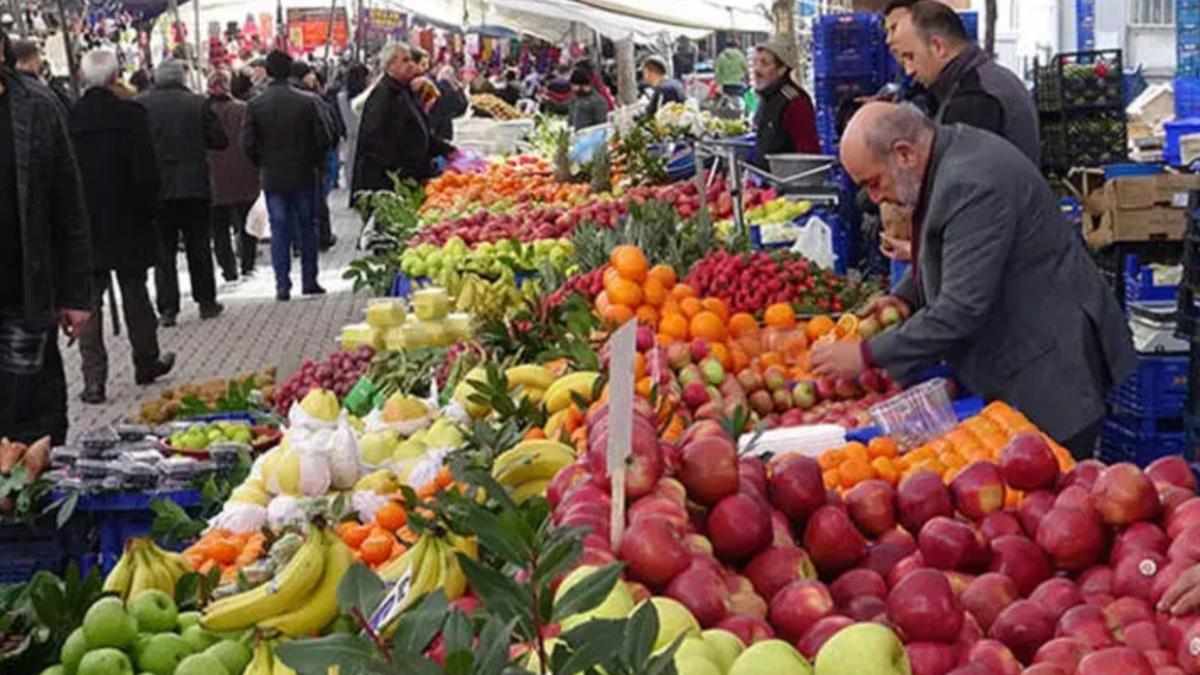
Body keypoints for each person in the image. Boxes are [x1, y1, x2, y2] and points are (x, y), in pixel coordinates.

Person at [810, 103, 1135, 458]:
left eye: (873, 183)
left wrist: (867, 354)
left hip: (1048, 368)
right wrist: (905, 298)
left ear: (904, 153)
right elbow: (952, 253)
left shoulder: (971, 182)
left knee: (1052, 478)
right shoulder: (944, 159)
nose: (875, 198)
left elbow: (961, 308)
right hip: (1023, 354)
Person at [0, 30, 91, 443]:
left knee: (32, 420)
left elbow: (68, 205)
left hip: (24, 296)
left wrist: (76, 294)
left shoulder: (36, 106)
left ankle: (34, 483)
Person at [69, 48, 174, 404]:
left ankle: (93, 380)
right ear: (116, 77)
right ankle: (146, 361)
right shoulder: (132, 115)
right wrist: (149, 210)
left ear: (82, 78)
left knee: (89, 301)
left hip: (86, 223)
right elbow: (148, 171)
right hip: (129, 218)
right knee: (135, 292)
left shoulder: (71, 118)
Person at [888, 0, 1039, 163]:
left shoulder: (974, 99)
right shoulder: (989, 78)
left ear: (938, 47)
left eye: (910, 57)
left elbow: (960, 174)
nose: (908, 71)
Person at [140, 58, 228, 326]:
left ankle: (168, 308)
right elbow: (219, 140)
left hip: (157, 188)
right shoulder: (198, 103)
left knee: (163, 252)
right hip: (195, 186)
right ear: (182, 78)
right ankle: (206, 302)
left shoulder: (142, 105)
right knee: (198, 246)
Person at [243, 49, 331, 301]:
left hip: (274, 176)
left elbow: (247, 143)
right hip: (304, 173)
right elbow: (323, 137)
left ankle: (282, 284)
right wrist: (315, 161)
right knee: (308, 227)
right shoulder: (307, 101)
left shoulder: (256, 105)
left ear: (268, 72)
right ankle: (309, 280)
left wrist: (262, 163)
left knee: (279, 229)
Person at [352, 42, 454, 195]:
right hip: (389, 186)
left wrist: (449, 151)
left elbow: (420, 132)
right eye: (405, 60)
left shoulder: (404, 91)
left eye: (411, 59)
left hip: (408, 179)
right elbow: (377, 145)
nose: (411, 64)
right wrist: (410, 169)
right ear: (390, 64)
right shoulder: (383, 96)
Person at [206, 70, 260, 281]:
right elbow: (252, 139)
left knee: (219, 227)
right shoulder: (243, 109)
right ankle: (248, 264)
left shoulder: (203, 110)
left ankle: (228, 269)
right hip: (244, 174)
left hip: (214, 177)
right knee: (247, 222)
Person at [752, 39, 820, 169]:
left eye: (764, 64)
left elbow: (808, 155)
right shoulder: (766, 98)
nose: (757, 70)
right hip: (764, 178)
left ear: (781, 70)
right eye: (755, 63)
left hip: (787, 179)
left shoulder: (795, 102)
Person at [337, 61, 368, 196]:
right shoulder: (368, 98)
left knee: (351, 171)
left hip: (349, 140)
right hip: (366, 139)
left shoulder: (341, 97)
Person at [429, 65, 468, 142]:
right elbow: (462, 107)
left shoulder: (434, 85)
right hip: (445, 127)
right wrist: (459, 90)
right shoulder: (453, 88)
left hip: (434, 126)